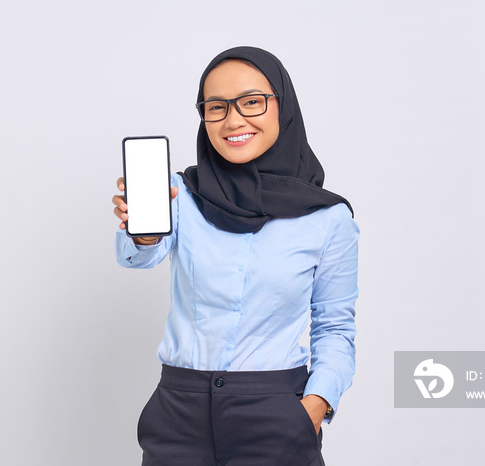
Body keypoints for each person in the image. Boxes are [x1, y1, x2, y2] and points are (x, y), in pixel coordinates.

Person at [112, 46, 359, 466]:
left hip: (276, 414)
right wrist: (145, 236)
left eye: (251, 102)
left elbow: (335, 327)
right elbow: (137, 258)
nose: (233, 120)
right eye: (216, 107)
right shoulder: (181, 195)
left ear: (282, 105)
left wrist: (314, 408)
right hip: (178, 412)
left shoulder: (329, 219)